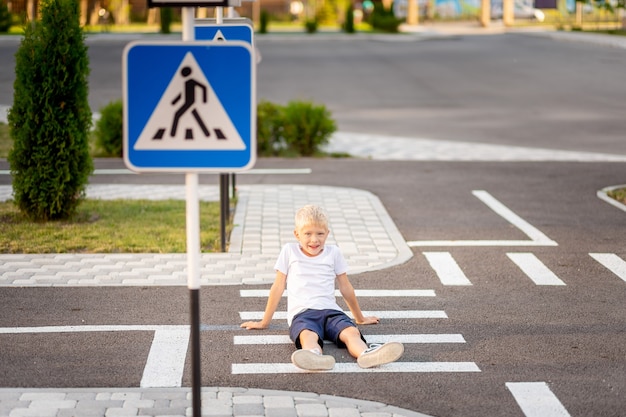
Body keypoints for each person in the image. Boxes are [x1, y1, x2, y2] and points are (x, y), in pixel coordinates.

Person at [240, 204, 404, 371]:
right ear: (297, 234)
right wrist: (264, 322)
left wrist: (359, 318)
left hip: (331, 311)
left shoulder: (333, 253)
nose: (314, 240)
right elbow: (278, 287)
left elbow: (346, 287)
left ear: (327, 234)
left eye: (320, 234)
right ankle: (314, 356)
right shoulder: (289, 251)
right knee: (307, 336)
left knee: (351, 332)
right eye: (308, 234)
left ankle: (366, 354)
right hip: (303, 313)